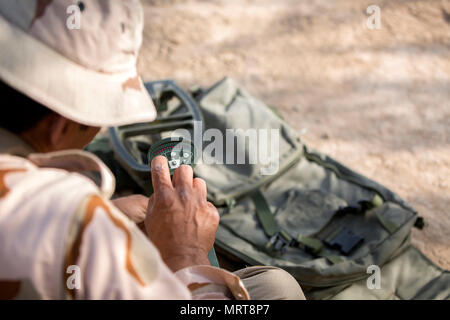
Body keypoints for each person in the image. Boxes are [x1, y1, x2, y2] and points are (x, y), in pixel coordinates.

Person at [0, 0, 304, 300]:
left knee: (272, 287)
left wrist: (108, 218)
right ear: (59, 126)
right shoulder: (69, 218)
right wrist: (184, 253)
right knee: (279, 292)